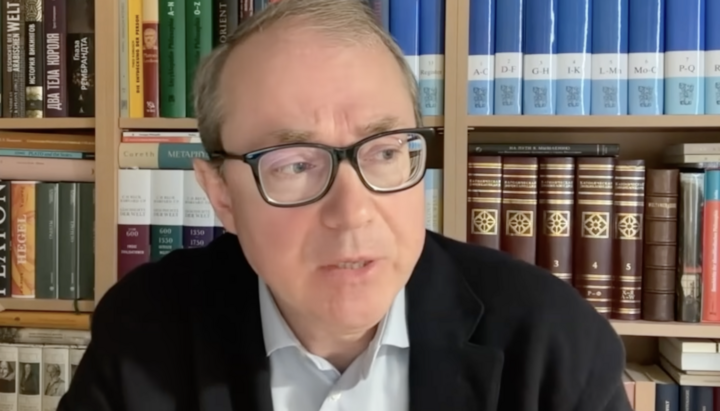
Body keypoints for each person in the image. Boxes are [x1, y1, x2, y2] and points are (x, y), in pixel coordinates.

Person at [59, 0, 632, 410]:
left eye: (384, 152)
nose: (353, 211)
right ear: (221, 196)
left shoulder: (553, 343)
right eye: (294, 164)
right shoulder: (144, 333)